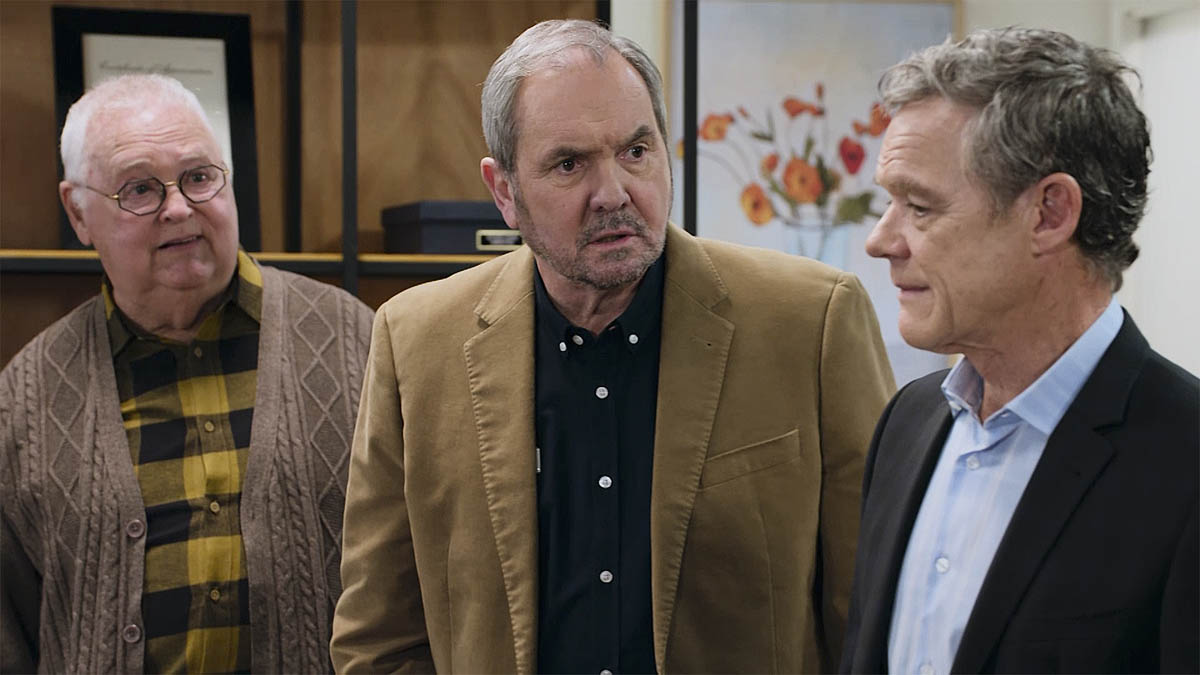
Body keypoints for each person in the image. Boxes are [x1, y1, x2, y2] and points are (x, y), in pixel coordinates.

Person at [331, 18, 894, 674]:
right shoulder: (416, 341)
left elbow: (876, 614)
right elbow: (378, 639)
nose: (614, 193)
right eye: (569, 164)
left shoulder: (811, 322)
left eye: (635, 150)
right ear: (504, 191)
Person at [840, 27, 1199, 674]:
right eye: (888, 202)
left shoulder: (1185, 458)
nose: (881, 240)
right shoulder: (907, 422)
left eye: (919, 206)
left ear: (1049, 213)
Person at [0, 74, 374, 673]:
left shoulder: (357, 343)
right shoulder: (25, 399)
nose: (178, 208)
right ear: (78, 212)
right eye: (140, 189)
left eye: (199, 177)